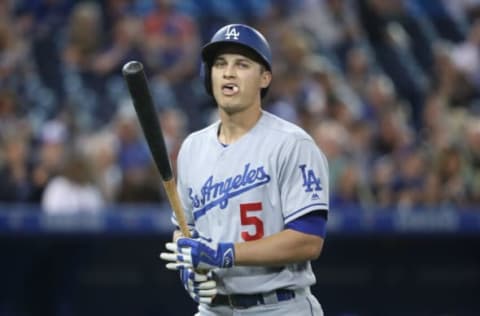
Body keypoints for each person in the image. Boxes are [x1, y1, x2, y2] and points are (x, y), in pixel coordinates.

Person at [160, 24, 329, 316]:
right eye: (220, 64)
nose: (228, 72)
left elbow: (308, 239)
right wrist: (190, 269)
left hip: (280, 306)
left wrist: (224, 254)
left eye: (242, 64)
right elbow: (184, 230)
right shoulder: (192, 148)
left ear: (265, 78)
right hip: (213, 309)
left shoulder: (291, 144)